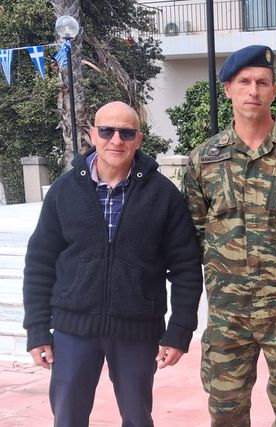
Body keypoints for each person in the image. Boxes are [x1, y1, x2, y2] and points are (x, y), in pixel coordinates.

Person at [22, 101, 203, 427]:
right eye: (107, 131)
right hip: (73, 329)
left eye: (126, 133)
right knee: (68, 418)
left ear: (139, 139)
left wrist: (179, 330)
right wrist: (36, 328)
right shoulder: (64, 191)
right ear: (93, 135)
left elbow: (186, 267)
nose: (116, 140)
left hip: (137, 330)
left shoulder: (163, 195)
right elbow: (40, 262)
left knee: (137, 419)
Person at [182, 45, 276, 426]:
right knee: (226, 414)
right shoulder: (204, 159)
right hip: (228, 313)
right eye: (244, 82)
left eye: (262, 82)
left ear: (275, 89)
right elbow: (195, 235)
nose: (253, 91)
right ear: (228, 89)